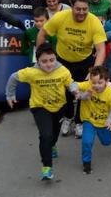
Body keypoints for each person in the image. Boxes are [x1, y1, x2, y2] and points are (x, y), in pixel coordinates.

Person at [5, 43, 79, 180]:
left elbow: (71, 82)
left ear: (56, 58)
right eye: (44, 61)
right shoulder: (31, 72)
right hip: (39, 107)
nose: (49, 64)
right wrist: (10, 95)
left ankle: (52, 145)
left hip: (59, 106)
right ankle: (47, 167)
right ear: (37, 61)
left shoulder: (63, 70)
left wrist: (74, 90)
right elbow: (13, 78)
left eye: (52, 60)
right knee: (45, 135)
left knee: (54, 133)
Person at [37, 0, 107, 139]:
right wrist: (40, 59)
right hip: (63, 61)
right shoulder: (61, 17)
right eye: (78, 9)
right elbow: (42, 34)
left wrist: (94, 70)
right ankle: (68, 117)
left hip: (84, 61)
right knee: (67, 93)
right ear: (72, 7)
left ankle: (79, 121)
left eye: (84, 9)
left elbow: (101, 50)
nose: (81, 12)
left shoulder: (94, 22)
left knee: (84, 92)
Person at [76, 65, 111, 174]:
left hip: (103, 122)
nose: (96, 86)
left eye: (100, 83)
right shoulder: (88, 86)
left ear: (107, 81)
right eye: (93, 82)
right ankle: (86, 163)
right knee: (87, 142)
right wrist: (84, 94)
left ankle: (101, 134)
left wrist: (110, 120)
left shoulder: (110, 93)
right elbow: (75, 88)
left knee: (107, 142)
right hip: (88, 120)